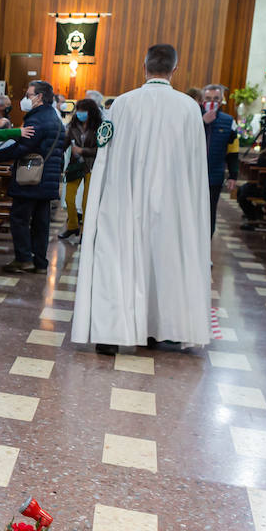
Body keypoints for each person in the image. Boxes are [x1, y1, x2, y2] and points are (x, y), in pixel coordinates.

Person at [70, 44, 211, 353]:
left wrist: (101, 200)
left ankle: (111, 333)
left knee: (117, 262)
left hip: (125, 199)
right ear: (175, 70)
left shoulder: (122, 104)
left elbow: (105, 155)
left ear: (143, 67)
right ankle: (160, 329)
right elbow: (195, 165)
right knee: (165, 262)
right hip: (173, 202)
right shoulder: (189, 107)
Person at [0, 80, 62, 274]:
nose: (25, 99)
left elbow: (23, 148)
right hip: (48, 177)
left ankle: (24, 258)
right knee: (41, 223)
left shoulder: (37, 119)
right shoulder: (55, 117)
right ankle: (40, 262)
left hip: (31, 178)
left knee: (19, 219)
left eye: (28, 95)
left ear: (39, 97)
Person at [200, 83, 239, 236]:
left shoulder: (229, 121)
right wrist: (202, 123)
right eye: (208, 98)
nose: (212, 101)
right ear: (203, 100)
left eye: (216, 98)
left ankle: (205, 252)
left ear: (222, 100)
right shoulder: (193, 117)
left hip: (214, 176)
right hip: (191, 175)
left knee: (209, 214)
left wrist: (233, 176)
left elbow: (233, 151)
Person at [60, 97, 101, 242]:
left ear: (91, 112)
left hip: (91, 166)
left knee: (86, 202)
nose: (80, 113)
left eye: (84, 111)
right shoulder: (72, 127)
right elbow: (63, 146)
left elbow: (100, 150)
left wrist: (83, 151)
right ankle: (72, 226)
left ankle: (85, 231)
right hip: (74, 166)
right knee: (69, 198)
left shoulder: (98, 127)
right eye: (79, 110)